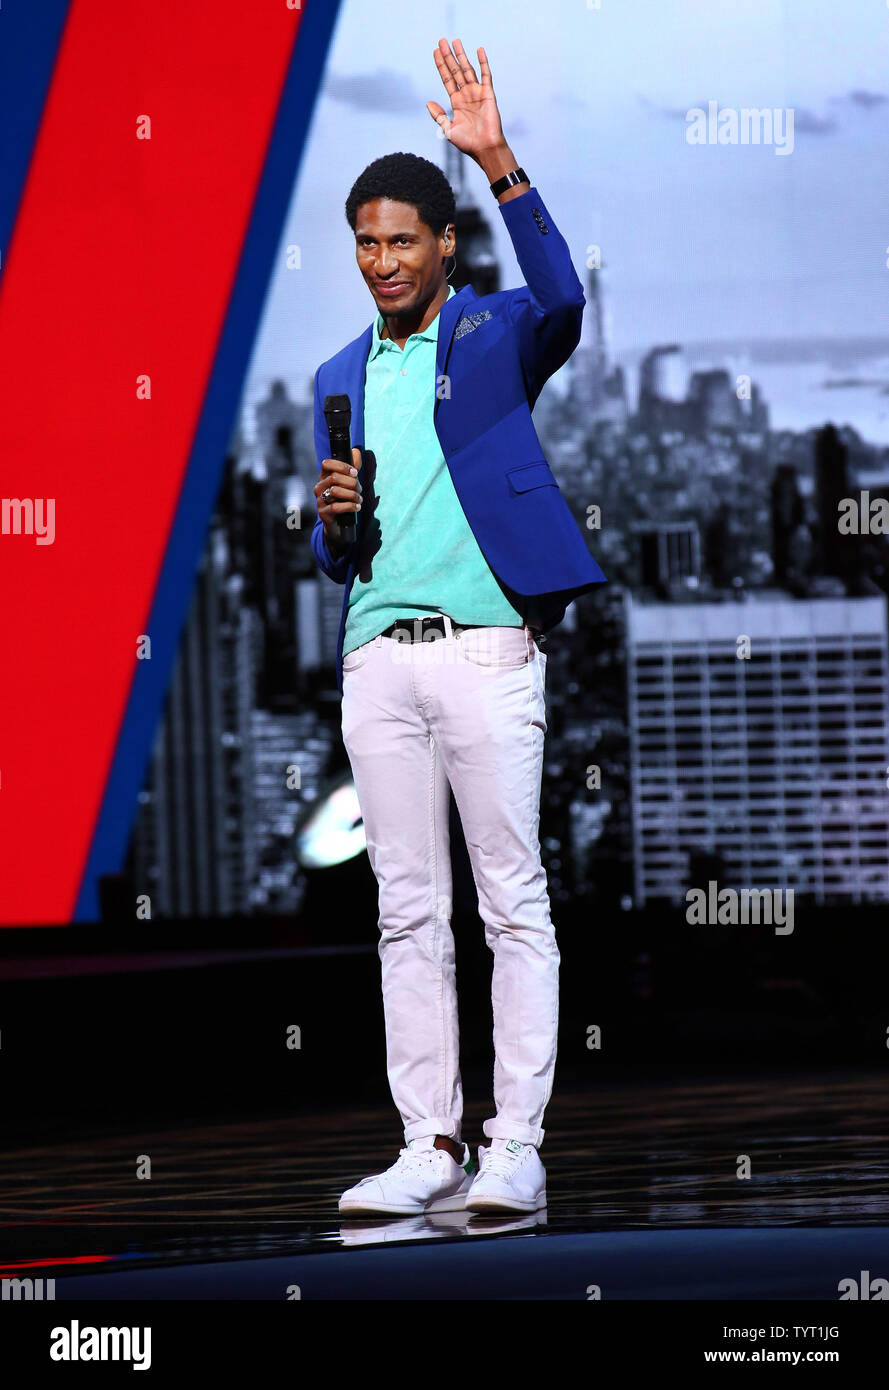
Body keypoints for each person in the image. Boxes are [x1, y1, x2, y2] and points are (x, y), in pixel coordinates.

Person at [310, 37, 605, 1216]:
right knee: (404, 910)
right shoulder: (340, 366)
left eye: (399, 240)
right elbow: (347, 548)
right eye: (365, 243)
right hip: (377, 656)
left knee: (509, 898)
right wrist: (332, 520)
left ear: (442, 246)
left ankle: (515, 1143)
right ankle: (426, 1144)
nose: (381, 260)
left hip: (485, 648)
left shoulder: (491, 337)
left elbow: (567, 298)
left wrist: (498, 161)